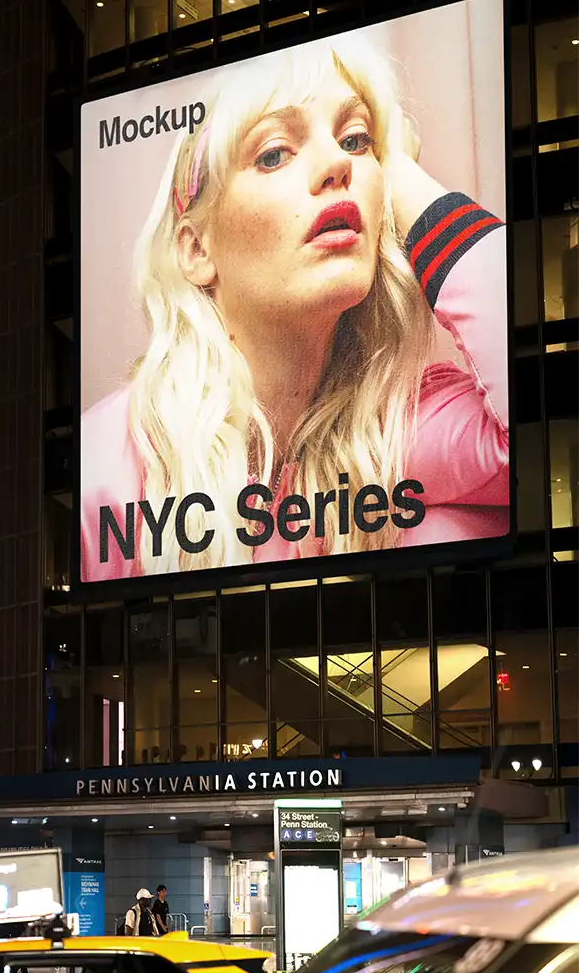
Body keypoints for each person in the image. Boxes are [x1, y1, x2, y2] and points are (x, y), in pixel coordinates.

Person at [81, 34, 509, 579]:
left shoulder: (404, 433)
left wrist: (398, 169)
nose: (337, 162)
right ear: (196, 248)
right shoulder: (106, 470)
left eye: (356, 141)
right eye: (274, 153)